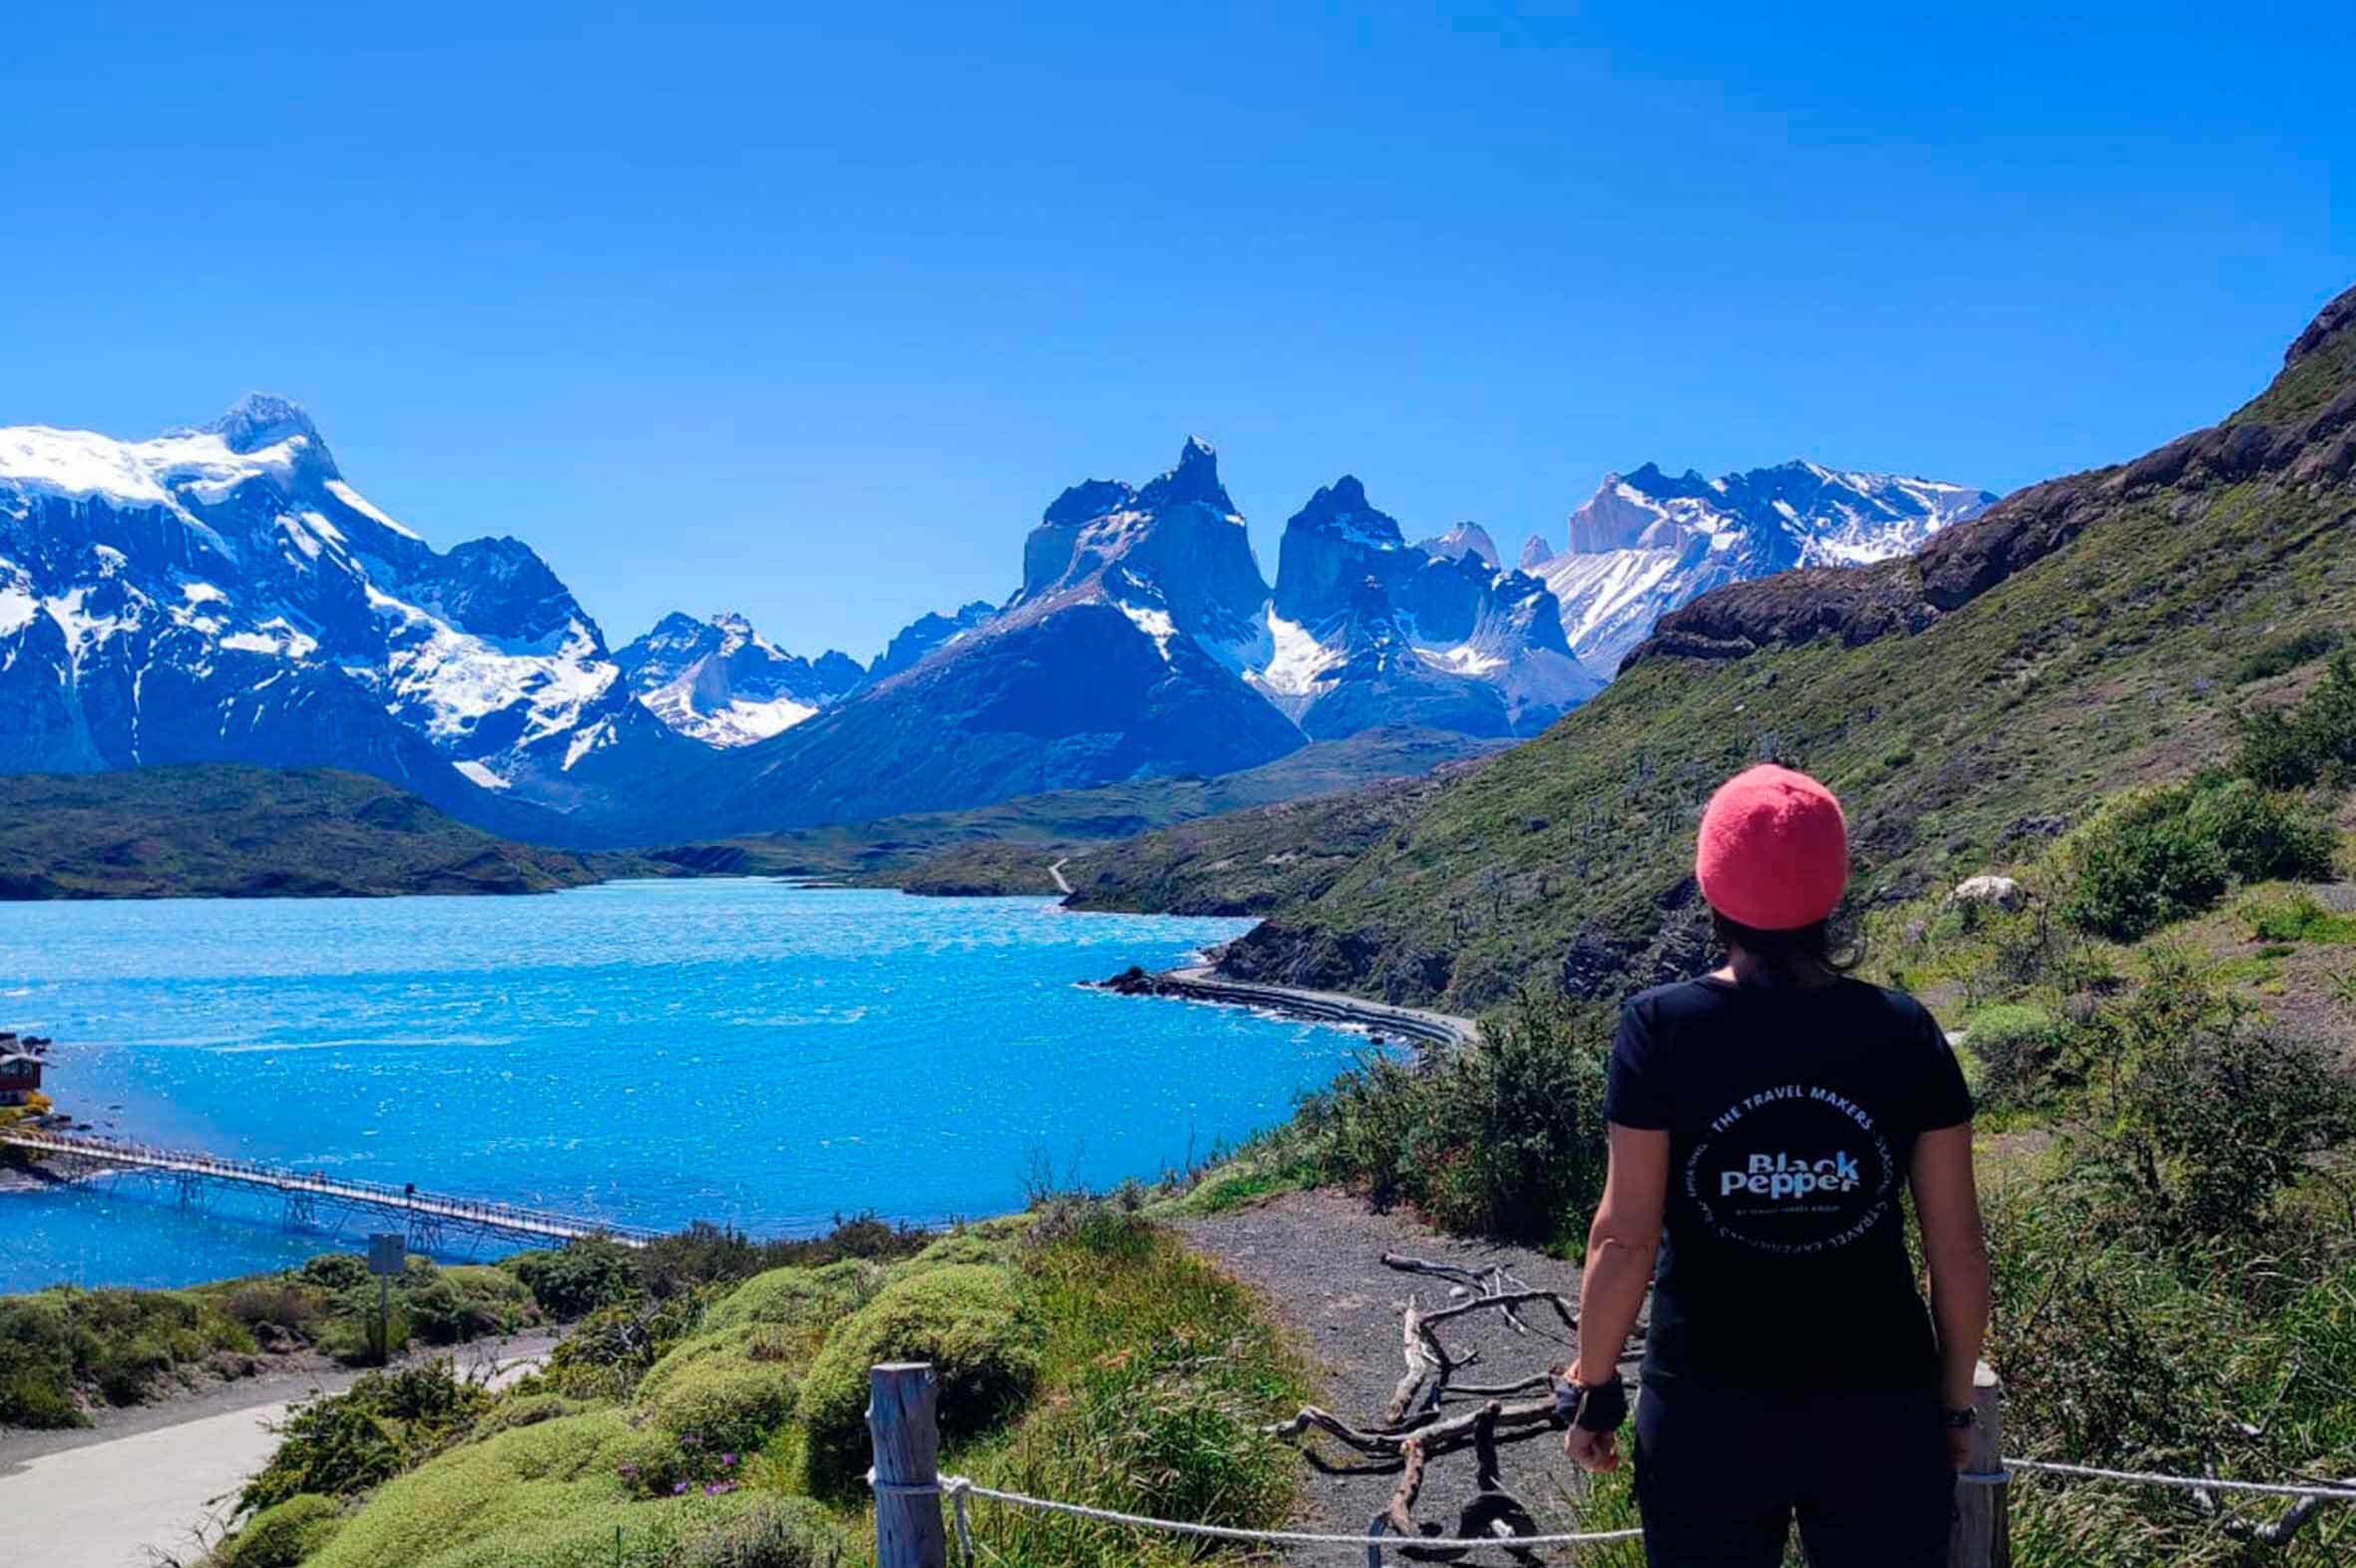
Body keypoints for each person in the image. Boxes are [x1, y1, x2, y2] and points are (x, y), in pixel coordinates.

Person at [1558, 763, 1989, 1567]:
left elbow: (1623, 1238)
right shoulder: (1905, 1030)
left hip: (1706, 1408)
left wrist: (1593, 1385)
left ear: (1710, 881)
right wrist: (1955, 1406)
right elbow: (1957, 1246)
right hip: (1880, 1403)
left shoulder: (1659, 1028)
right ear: (1833, 887)